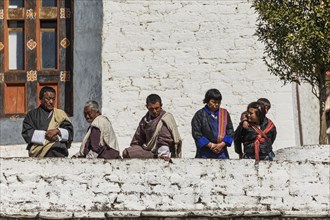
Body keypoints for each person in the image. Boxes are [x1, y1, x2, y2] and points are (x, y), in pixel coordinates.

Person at [122, 94, 182, 160]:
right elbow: (137, 140)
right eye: (151, 109)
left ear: (161, 105)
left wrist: (163, 153)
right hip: (148, 150)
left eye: (157, 108)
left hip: (162, 150)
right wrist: (135, 149)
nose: (154, 111)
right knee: (126, 153)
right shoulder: (145, 120)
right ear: (147, 107)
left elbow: (165, 141)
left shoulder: (165, 119)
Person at [22, 86, 73, 157]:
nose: (51, 102)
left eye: (53, 99)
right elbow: (27, 133)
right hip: (39, 153)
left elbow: (69, 132)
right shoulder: (32, 115)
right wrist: (46, 135)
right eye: (48, 99)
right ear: (41, 99)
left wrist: (57, 132)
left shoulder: (60, 114)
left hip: (58, 151)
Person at [191, 89, 234, 159]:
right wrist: (211, 145)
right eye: (213, 102)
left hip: (222, 152)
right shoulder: (199, 115)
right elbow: (196, 133)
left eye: (218, 102)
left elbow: (230, 131)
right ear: (207, 101)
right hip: (205, 152)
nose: (216, 105)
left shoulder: (224, 114)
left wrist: (222, 144)